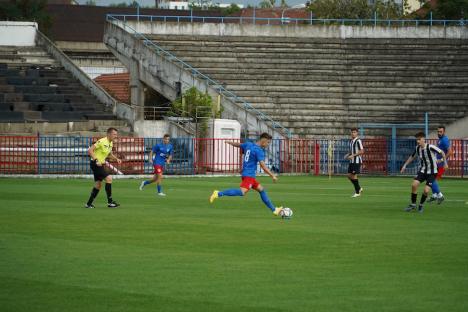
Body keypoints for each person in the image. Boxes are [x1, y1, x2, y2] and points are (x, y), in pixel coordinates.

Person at [209, 133, 283, 216]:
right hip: (249, 175)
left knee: (261, 189)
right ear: (263, 140)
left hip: (246, 174)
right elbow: (263, 166)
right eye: (268, 142)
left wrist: (229, 142)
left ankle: (274, 210)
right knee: (242, 192)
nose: (268, 145)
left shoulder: (249, 144)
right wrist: (272, 175)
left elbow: (239, 145)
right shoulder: (259, 150)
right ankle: (218, 193)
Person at [400, 132, 448, 213]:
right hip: (423, 171)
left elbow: (442, 152)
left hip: (432, 173)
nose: (418, 141)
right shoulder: (417, 148)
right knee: (414, 185)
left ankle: (421, 205)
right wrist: (405, 165)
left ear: (423, 139)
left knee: (426, 191)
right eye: (417, 140)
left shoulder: (430, 147)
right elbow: (412, 157)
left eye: (419, 139)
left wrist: (445, 163)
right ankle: (413, 204)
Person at [85, 127, 122, 208]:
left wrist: (116, 159)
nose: (116, 136)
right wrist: (96, 160)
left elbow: (109, 154)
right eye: (114, 134)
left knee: (98, 185)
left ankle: (88, 204)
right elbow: (90, 150)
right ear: (109, 134)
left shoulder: (110, 143)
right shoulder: (102, 141)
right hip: (96, 164)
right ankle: (110, 202)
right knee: (109, 178)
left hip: (100, 164)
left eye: (116, 134)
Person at [428, 126, 453, 204]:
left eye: (440, 132)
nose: (439, 133)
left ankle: (439, 195)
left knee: (431, 179)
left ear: (444, 132)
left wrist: (442, 160)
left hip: (441, 165)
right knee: (431, 178)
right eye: (438, 131)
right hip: (437, 164)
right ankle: (435, 195)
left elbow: (450, 152)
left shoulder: (444, 140)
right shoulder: (441, 140)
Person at [344, 128, 364, 198]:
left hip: (357, 161)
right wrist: (348, 154)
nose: (353, 133)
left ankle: (357, 192)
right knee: (349, 176)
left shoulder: (358, 141)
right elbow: (352, 150)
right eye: (352, 132)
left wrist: (353, 155)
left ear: (357, 133)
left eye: (354, 132)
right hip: (352, 161)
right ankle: (359, 188)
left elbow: (362, 151)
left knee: (353, 176)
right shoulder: (352, 141)